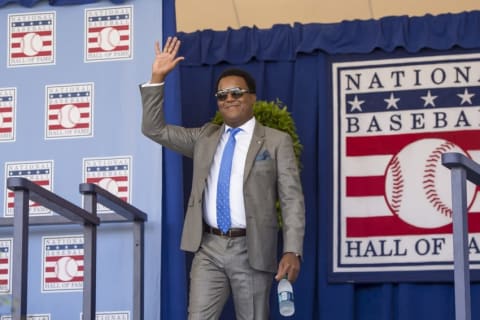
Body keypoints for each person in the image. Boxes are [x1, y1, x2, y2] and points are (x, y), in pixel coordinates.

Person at [140, 36, 305, 320]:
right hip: (208, 248)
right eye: (222, 95)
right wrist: (157, 76)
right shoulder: (205, 137)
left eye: (236, 92)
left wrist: (292, 250)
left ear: (252, 97)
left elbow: (292, 200)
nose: (229, 98)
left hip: (252, 248)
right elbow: (154, 129)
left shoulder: (277, 141)